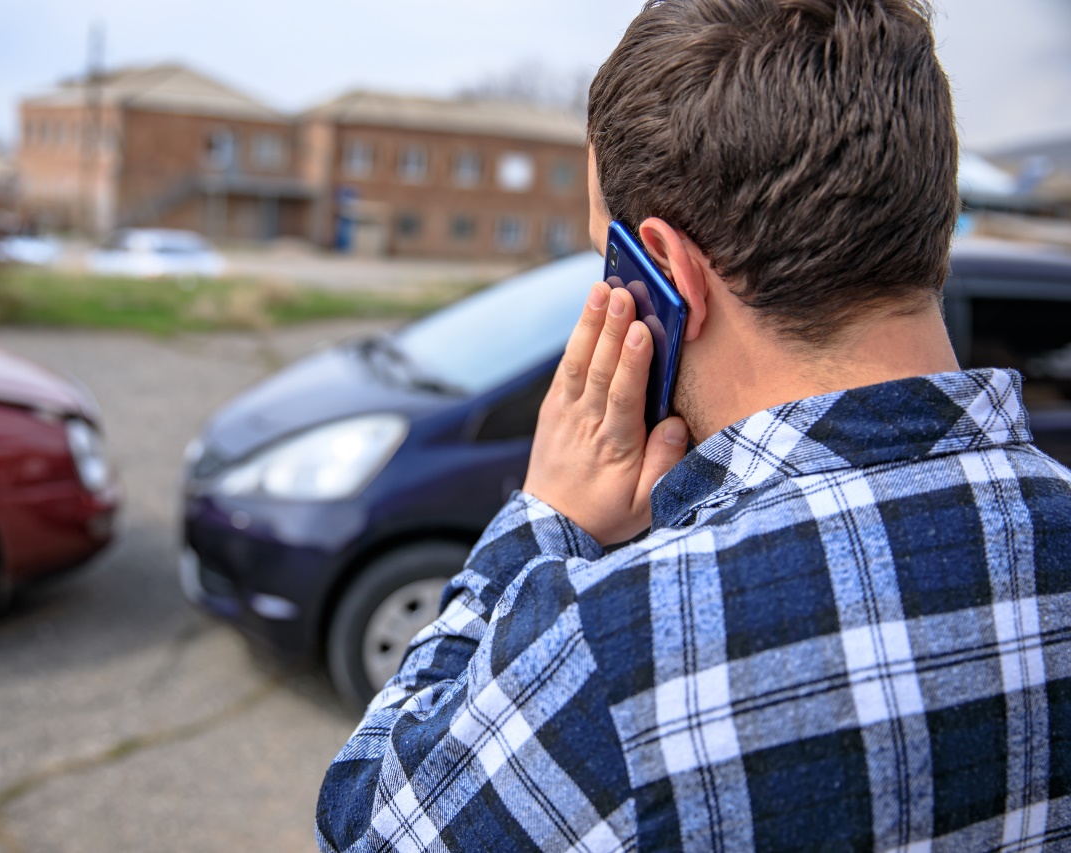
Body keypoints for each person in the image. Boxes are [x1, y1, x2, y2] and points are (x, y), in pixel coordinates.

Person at [316, 0, 1071, 849]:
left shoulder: (618, 646)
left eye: (608, 256)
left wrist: (543, 522)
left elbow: (368, 818)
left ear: (668, 270)